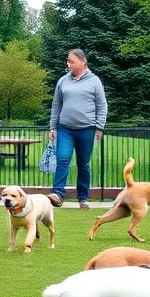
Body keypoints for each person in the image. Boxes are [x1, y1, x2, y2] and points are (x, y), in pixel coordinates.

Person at [48, 49, 107, 210]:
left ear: (82, 62)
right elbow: (56, 105)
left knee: (83, 163)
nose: (68, 64)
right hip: (65, 128)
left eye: (71, 61)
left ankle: (83, 198)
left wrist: (99, 127)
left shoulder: (94, 81)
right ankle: (57, 194)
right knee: (63, 159)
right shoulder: (63, 81)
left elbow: (102, 105)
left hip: (87, 129)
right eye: (68, 61)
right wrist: (53, 126)